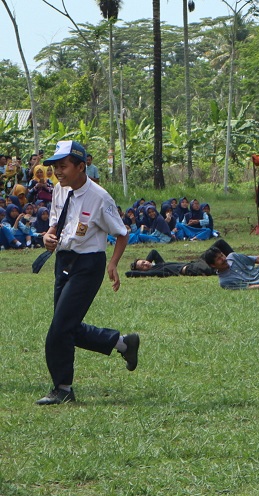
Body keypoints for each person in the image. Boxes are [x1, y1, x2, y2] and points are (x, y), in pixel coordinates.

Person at [35, 140, 139, 406]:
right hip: (64, 262)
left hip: (88, 265)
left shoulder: (100, 197)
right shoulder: (59, 190)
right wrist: (49, 237)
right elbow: (55, 224)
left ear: (82, 167)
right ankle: (122, 343)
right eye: (55, 167)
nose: (58, 171)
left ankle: (63, 389)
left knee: (59, 329)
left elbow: (122, 234)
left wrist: (113, 264)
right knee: (66, 326)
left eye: (63, 166)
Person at [125, 248, 214, 278]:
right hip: (190, 269)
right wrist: (142, 271)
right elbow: (128, 273)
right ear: (142, 271)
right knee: (217, 268)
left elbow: (153, 252)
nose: (146, 264)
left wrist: (148, 262)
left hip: (194, 263)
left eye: (144, 261)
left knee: (217, 247)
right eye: (143, 266)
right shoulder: (154, 271)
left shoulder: (160, 264)